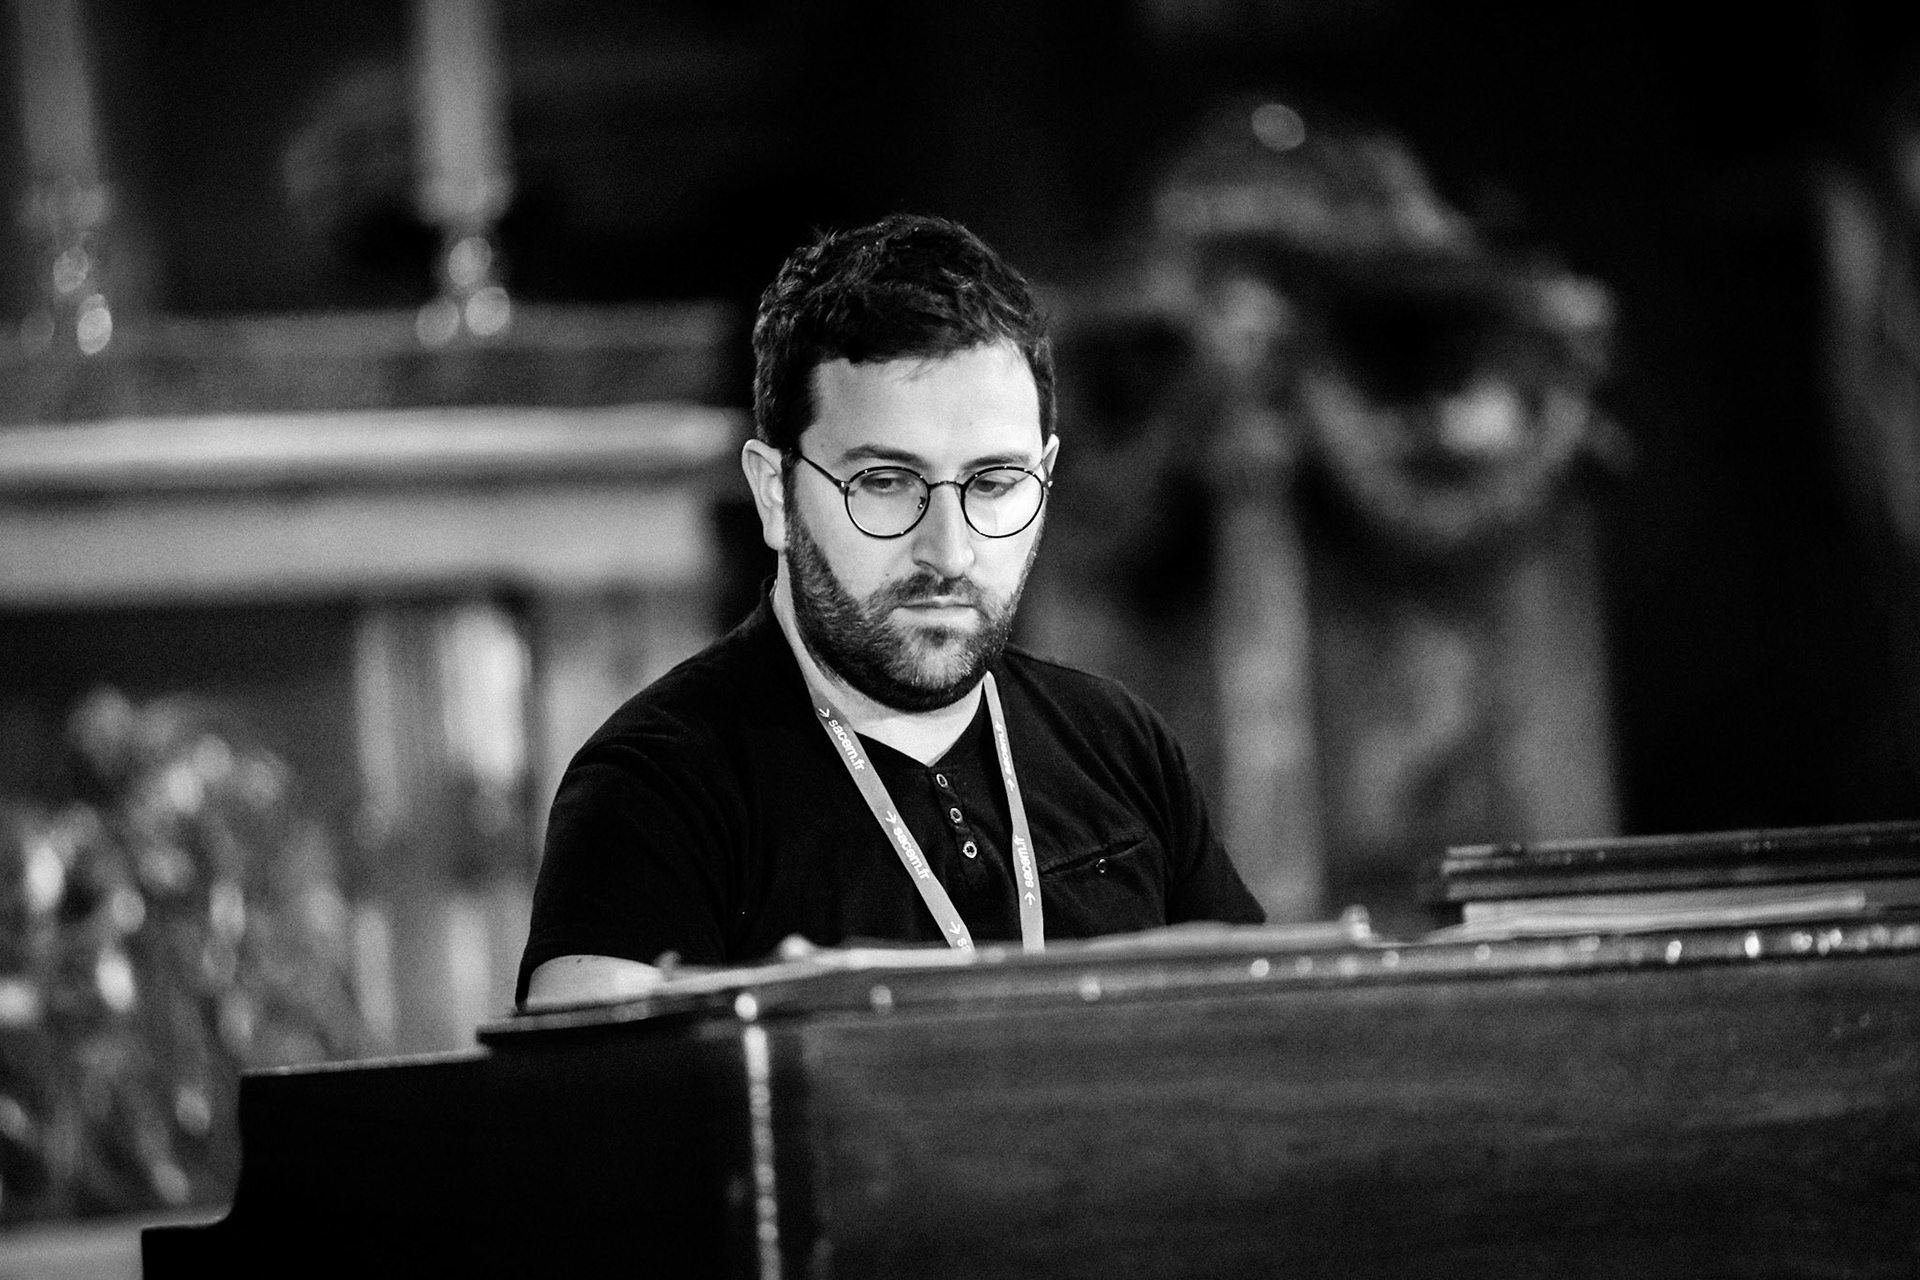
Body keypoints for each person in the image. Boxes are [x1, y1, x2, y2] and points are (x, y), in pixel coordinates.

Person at [518, 214, 1263, 1008]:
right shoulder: (653, 792)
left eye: (996, 483)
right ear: (776, 494)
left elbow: (1279, 1062)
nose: (949, 550)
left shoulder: (1122, 745)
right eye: (885, 483)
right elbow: (594, 1120)